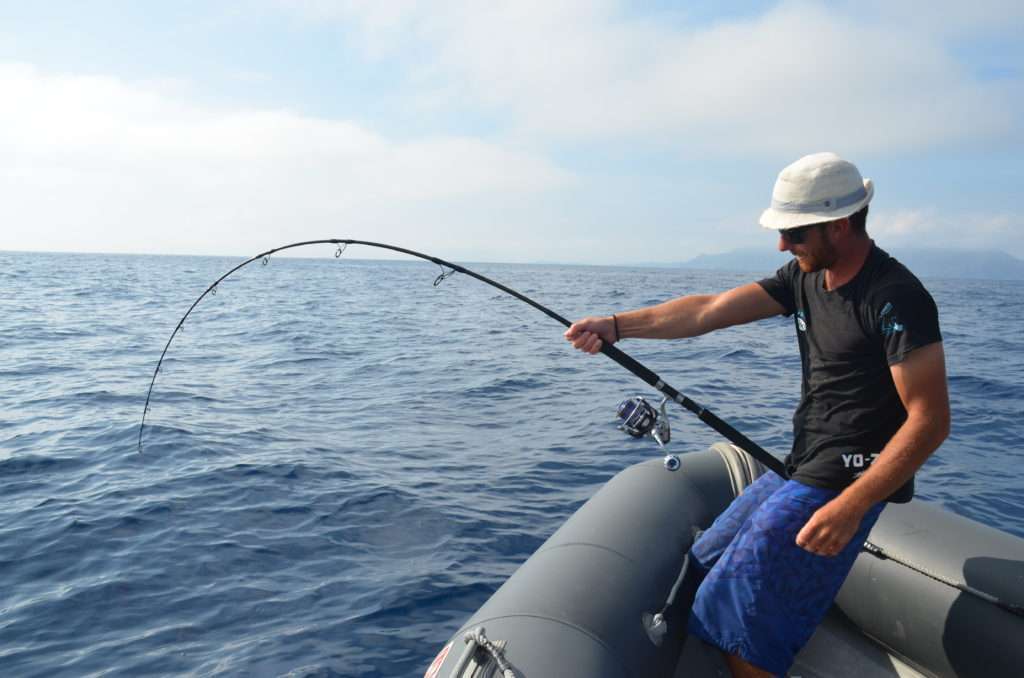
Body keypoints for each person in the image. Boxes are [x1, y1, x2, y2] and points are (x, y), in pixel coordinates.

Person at [564, 152, 950, 677]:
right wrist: (616, 324)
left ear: (840, 224)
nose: (782, 245)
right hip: (802, 460)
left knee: (733, 614)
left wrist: (854, 505)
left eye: (793, 233)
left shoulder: (895, 298)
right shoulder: (804, 276)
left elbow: (929, 420)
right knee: (705, 563)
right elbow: (708, 310)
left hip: (844, 479)